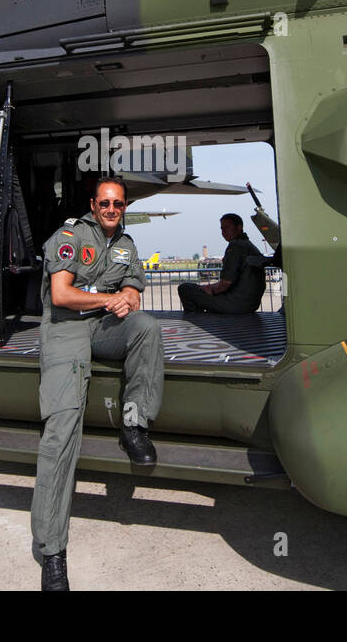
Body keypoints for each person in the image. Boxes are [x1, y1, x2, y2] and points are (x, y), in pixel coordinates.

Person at [31, 175, 164, 591]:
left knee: (147, 328)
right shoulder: (70, 235)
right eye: (105, 203)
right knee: (62, 431)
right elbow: (61, 294)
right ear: (93, 203)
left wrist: (128, 297)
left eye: (118, 204)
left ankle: (134, 423)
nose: (111, 209)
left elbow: (133, 287)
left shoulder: (126, 244)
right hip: (68, 328)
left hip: (105, 326)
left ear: (125, 207)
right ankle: (52, 551)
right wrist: (110, 299)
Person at [177, 213, 266, 313]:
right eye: (222, 229)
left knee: (185, 289)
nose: (224, 232)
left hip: (236, 304)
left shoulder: (235, 247)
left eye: (227, 227)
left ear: (239, 227)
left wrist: (210, 289)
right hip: (250, 304)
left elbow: (225, 283)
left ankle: (197, 320)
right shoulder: (250, 246)